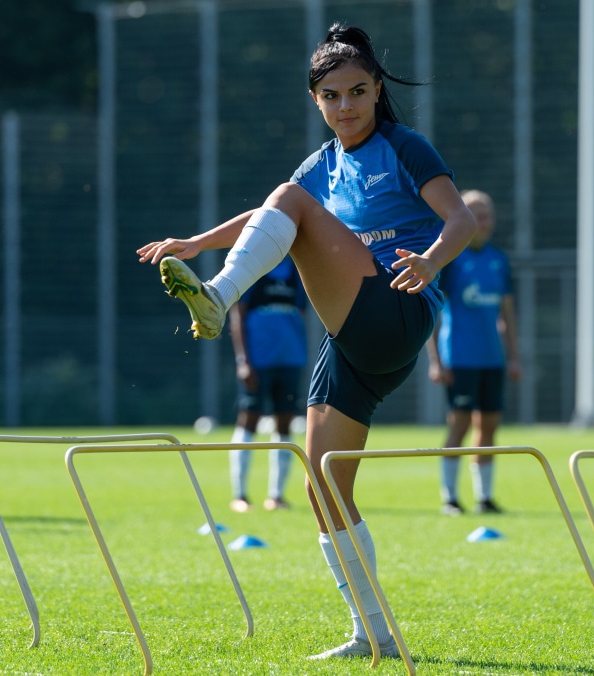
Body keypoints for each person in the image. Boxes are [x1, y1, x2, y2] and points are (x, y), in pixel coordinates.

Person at [136, 23, 475, 660]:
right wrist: (196, 241)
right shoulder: (321, 164)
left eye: (356, 92)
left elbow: (457, 217)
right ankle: (374, 634)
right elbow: (271, 212)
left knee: (290, 198)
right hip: (351, 336)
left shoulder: (406, 147)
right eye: (330, 96)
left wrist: (430, 260)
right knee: (323, 485)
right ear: (316, 101)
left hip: (396, 310)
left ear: (377, 91)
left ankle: (217, 297)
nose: (344, 106)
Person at [426, 189, 522, 516]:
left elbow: (507, 314)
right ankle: (450, 497)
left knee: (490, 426)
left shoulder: (499, 260)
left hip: (491, 358)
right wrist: (435, 360)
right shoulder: (451, 261)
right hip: (460, 357)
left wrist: (513, 356)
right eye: (477, 216)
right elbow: (435, 314)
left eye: (487, 216)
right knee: (459, 424)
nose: (484, 222)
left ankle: (485, 497)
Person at [228, 256, 308, 513]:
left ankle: (276, 496)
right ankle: (240, 495)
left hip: (290, 360)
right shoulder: (255, 268)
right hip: (258, 361)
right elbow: (237, 315)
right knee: (248, 420)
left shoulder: (298, 272)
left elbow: (301, 312)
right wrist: (243, 361)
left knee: (284, 424)